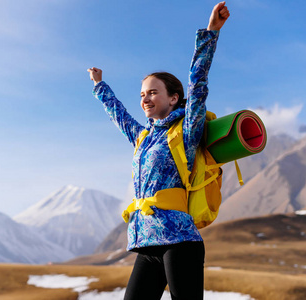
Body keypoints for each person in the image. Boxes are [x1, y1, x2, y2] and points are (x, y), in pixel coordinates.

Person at [87, 2, 230, 300]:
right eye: (142, 94)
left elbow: (198, 82)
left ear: (174, 98)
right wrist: (100, 85)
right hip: (147, 244)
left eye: (153, 92)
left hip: (180, 241)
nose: (145, 99)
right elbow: (119, 115)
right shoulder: (142, 137)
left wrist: (211, 32)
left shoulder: (185, 131)